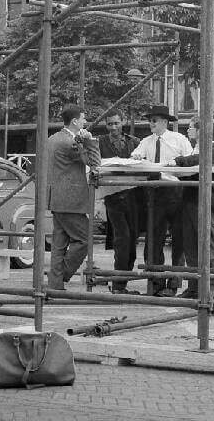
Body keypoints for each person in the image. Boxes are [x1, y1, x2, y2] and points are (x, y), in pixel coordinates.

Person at [130, 104, 192, 296]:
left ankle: (173, 284)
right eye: (150, 121)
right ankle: (156, 283)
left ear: (165, 122)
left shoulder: (179, 139)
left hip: (176, 191)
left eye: (154, 120)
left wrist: (176, 166)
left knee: (179, 240)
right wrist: (137, 156)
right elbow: (135, 157)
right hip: (155, 193)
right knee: (153, 239)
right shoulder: (146, 142)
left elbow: (191, 161)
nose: (151, 124)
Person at [44, 103, 100, 292]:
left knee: (59, 244)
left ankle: (55, 284)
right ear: (75, 121)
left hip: (56, 198)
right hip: (70, 200)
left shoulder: (52, 139)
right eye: (83, 119)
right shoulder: (70, 143)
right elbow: (94, 163)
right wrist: (90, 140)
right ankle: (61, 274)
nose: (86, 122)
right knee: (85, 239)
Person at [170, 118, 214, 301]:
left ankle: (208, 291)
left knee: (207, 246)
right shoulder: (193, 148)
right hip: (188, 200)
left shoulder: (213, 147)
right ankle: (194, 288)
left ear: (201, 130)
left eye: (191, 127)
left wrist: (178, 161)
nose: (188, 131)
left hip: (204, 201)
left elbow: (201, 160)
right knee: (190, 246)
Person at [97, 110, 141, 294]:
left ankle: (121, 282)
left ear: (123, 122)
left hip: (134, 198)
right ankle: (118, 285)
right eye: (110, 124)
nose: (113, 127)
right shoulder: (100, 142)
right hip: (112, 197)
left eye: (116, 123)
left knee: (131, 241)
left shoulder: (135, 142)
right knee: (122, 240)